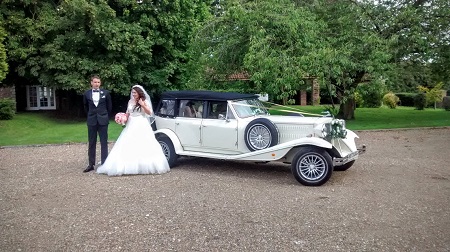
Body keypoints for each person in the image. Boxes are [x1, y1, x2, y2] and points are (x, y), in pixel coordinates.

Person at [96, 85, 170, 176]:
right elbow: (128, 112)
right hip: (131, 123)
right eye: (132, 92)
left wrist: (142, 105)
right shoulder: (130, 101)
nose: (133, 94)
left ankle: (144, 165)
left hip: (141, 123)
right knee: (127, 143)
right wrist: (123, 118)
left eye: (135, 92)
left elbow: (149, 113)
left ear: (139, 92)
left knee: (143, 143)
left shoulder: (144, 101)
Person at [83, 75, 112, 173]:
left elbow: (109, 107)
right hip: (91, 120)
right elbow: (85, 107)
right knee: (91, 142)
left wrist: (104, 115)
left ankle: (104, 163)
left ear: (100, 83)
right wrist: (91, 115)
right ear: (91, 83)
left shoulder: (106, 93)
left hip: (103, 120)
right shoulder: (86, 94)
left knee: (104, 142)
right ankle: (91, 164)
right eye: (95, 82)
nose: (96, 84)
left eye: (98, 82)